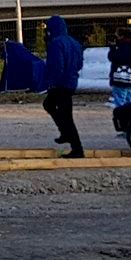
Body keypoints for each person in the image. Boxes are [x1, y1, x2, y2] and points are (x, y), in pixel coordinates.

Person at [42, 15, 85, 158]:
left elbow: (56, 65)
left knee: (65, 115)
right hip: (71, 81)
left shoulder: (55, 43)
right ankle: (65, 133)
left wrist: (51, 80)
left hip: (60, 83)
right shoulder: (74, 42)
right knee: (50, 104)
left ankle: (76, 147)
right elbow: (79, 64)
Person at [107, 28, 131, 110]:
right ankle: (130, 118)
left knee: (120, 100)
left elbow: (115, 57)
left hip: (119, 77)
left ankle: (122, 117)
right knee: (128, 99)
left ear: (122, 36)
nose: (116, 39)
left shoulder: (125, 47)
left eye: (117, 36)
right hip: (128, 77)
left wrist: (112, 49)